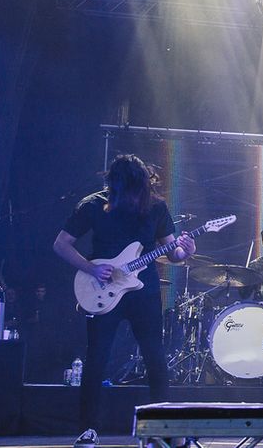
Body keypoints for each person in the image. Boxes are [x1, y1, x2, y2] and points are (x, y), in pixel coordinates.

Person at [53, 154, 195, 448]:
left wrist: (186, 251)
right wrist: (91, 267)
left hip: (144, 291)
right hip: (103, 290)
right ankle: (89, 429)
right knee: (97, 359)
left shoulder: (155, 206)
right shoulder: (92, 204)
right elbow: (61, 244)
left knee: (155, 357)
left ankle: (163, 427)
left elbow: (173, 253)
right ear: (115, 185)